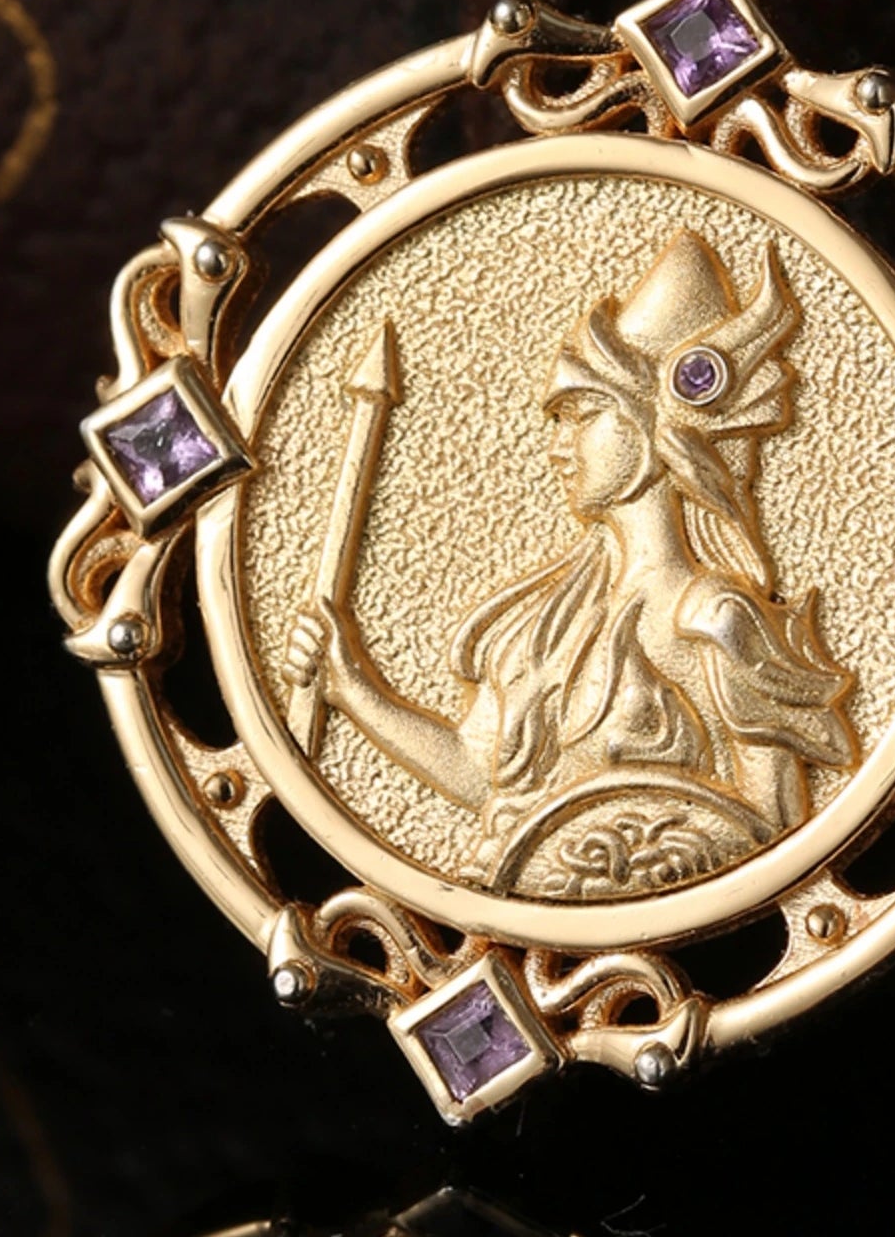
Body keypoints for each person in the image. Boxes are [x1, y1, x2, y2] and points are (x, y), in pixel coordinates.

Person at [287, 229, 858, 898]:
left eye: (581, 415)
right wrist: (354, 689)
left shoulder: (713, 620)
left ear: (655, 427)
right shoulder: (543, 620)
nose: (557, 446)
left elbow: (779, 842)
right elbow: (478, 774)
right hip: (504, 909)